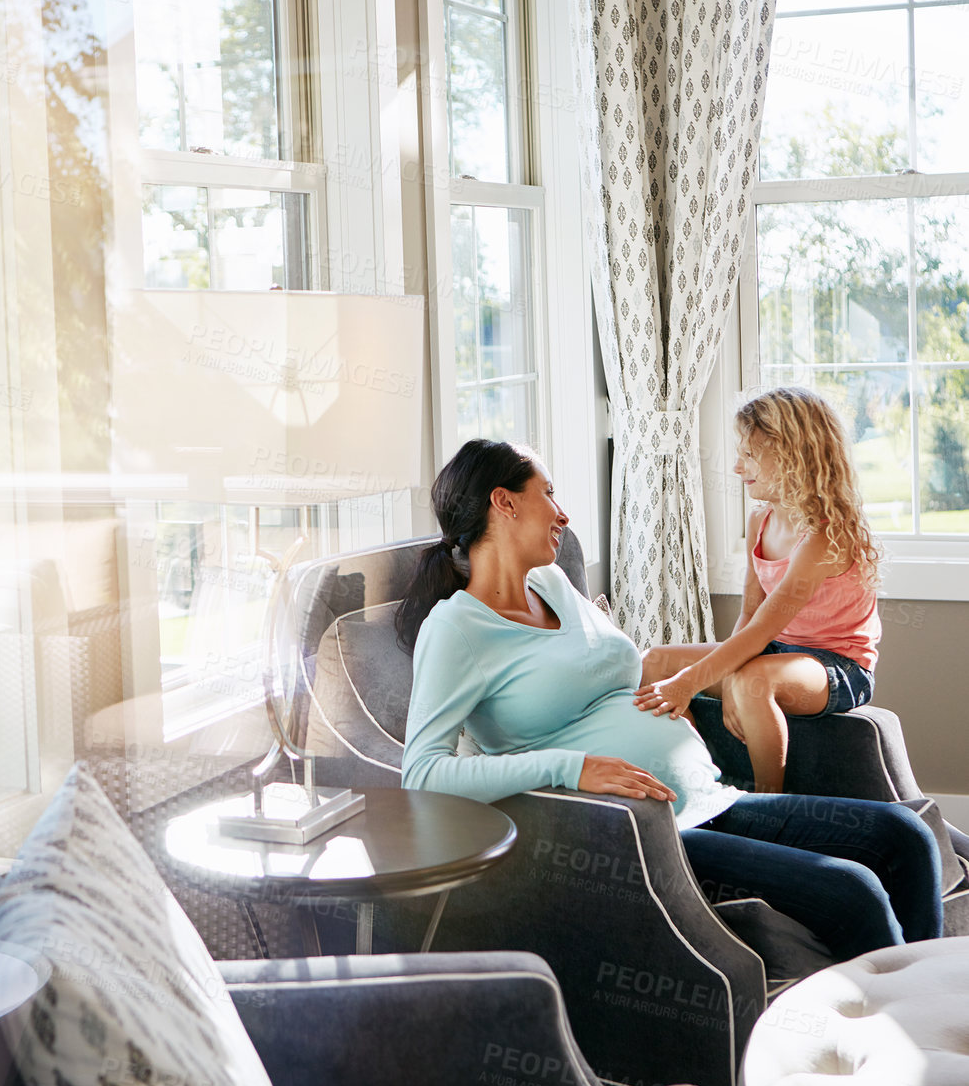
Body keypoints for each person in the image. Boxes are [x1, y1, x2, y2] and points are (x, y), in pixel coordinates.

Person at [397, 438, 939, 961]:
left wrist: (711, 700)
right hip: (640, 833)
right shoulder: (456, 629)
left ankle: (939, 1020)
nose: (562, 515)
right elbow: (422, 774)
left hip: (708, 797)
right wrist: (572, 767)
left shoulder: (555, 586)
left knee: (906, 837)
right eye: (549, 494)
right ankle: (888, 1037)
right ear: (504, 502)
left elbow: (621, 674)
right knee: (851, 890)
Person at [634, 388, 880, 794]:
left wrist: (695, 683)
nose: (736, 466)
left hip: (837, 665)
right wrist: (723, 673)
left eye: (749, 455)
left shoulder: (823, 536)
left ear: (792, 456)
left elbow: (763, 629)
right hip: (774, 649)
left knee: (751, 682)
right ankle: (697, 781)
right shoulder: (760, 521)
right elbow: (750, 611)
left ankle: (771, 803)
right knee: (655, 660)